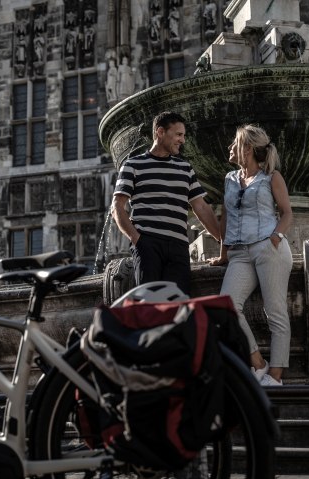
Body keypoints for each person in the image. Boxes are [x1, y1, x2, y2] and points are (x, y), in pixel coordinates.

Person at [209, 125, 293, 386]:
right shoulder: (229, 179)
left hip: (269, 248)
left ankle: (275, 377)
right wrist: (223, 254)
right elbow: (225, 220)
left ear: (247, 148)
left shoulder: (271, 177)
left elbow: (287, 212)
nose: (230, 148)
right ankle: (258, 363)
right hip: (239, 253)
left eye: (235, 144)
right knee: (227, 305)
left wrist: (275, 238)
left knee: (275, 312)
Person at [112, 111, 221, 296]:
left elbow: (201, 207)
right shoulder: (132, 165)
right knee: (150, 306)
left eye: (184, 135)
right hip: (148, 245)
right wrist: (137, 239)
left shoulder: (185, 169)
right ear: (160, 132)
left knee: (179, 306)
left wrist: (223, 240)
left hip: (179, 246)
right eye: (178, 134)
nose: (183, 140)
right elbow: (117, 207)